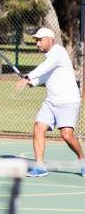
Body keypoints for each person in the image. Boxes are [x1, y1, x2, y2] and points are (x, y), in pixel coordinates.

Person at [16, 27, 85, 177]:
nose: (37, 44)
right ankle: (40, 167)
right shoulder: (50, 58)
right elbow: (46, 75)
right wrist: (32, 82)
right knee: (38, 127)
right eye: (36, 41)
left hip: (68, 101)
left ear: (50, 40)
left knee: (66, 135)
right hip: (51, 101)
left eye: (40, 40)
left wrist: (28, 77)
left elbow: (45, 68)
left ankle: (82, 158)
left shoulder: (58, 52)